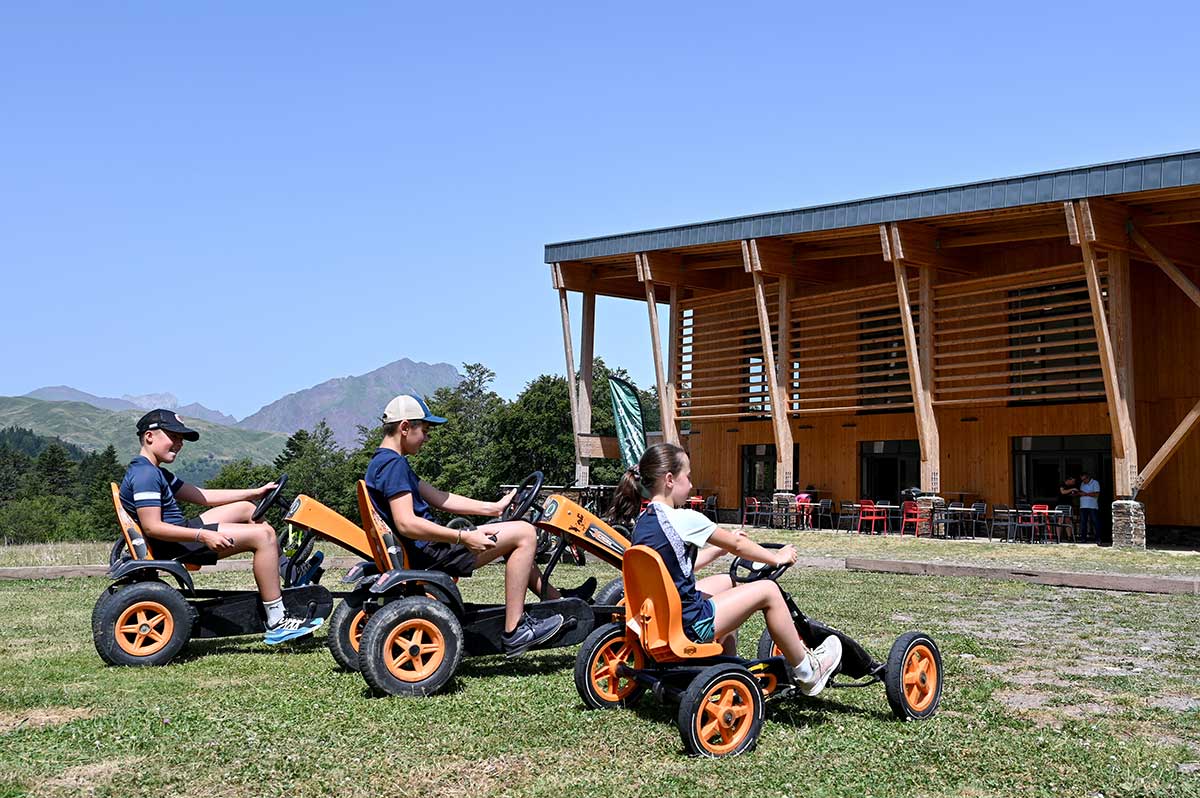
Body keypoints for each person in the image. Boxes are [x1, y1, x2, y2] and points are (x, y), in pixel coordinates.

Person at [365, 394, 592, 657]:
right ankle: (515, 630)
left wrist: (492, 508)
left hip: (429, 549)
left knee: (511, 535)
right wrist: (463, 537)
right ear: (405, 427)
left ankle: (559, 602)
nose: (426, 438)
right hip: (432, 554)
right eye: (424, 431)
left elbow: (440, 497)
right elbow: (407, 524)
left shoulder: (384, 463)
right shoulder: (393, 466)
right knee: (525, 533)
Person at [611, 442, 843, 696]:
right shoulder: (683, 518)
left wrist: (716, 552)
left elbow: (672, 568)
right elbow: (738, 544)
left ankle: (725, 660)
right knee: (768, 590)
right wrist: (776, 557)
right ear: (669, 479)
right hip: (688, 625)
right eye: (687, 477)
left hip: (657, 621)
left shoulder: (644, 522)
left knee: (728, 581)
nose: (690, 485)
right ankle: (808, 670)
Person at [119, 409, 322, 645]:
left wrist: (254, 493)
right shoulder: (146, 475)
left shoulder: (154, 471)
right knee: (264, 535)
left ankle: (285, 569)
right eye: (173, 436)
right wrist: (202, 535)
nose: (179, 443)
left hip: (179, 534)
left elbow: (202, 496)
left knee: (247, 508)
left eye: (181, 439)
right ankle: (277, 620)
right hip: (177, 543)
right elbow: (153, 527)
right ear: (149, 436)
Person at [1078, 471, 1102, 544]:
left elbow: (1097, 494)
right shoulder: (1082, 484)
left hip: (1092, 506)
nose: (1083, 481)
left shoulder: (1095, 483)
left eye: (1084, 479)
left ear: (1088, 478)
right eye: (1082, 480)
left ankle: (1098, 538)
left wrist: (1086, 494)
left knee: (1095, 522)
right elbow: (1081, 492)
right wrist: (1081, 493)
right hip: (1083, 506)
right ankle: (1083, 539)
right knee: (1083, 523)